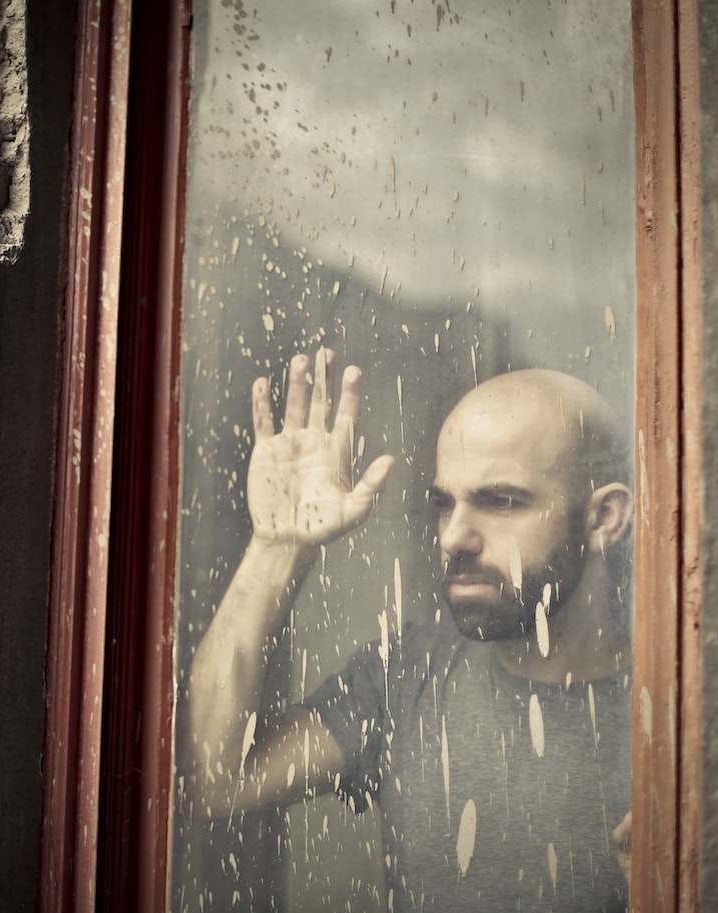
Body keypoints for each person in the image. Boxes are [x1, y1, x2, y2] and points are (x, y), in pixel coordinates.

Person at [182, 348, 634, 912]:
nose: (453, 537)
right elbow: (216, 779)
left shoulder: (677, 718)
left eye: (501, 501)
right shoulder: (405, 675)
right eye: (445, 504)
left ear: (603, 519)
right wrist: (277, 545)